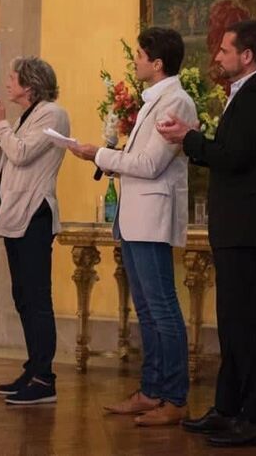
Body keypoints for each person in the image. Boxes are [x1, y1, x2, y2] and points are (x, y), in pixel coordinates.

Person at [156, 20, 256, 447]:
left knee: (247, 325)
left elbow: (232, 157)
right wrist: (194, 139)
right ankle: (228, 409)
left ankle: (255, 419)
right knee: (233, 324)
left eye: (225, 50)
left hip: (250, 228)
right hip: (239, 227)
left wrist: (188, 138)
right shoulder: (249, 95)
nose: (217, 57)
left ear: (246, 55)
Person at [69, 27, 196, 426]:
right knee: (146, 309)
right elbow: (140, 158)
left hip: (153, 220)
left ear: (157, 64)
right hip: (136, 218)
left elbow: (149, 165)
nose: (135, 61)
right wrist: (105, 155)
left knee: (163, 310)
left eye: (140, 55)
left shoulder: (176, 102)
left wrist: (99, 155)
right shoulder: (152, 101)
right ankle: (151, 390)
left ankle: (174, 398)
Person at [0, 56, 70, 405]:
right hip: (17, 215)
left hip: (35, 215)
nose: (7, 82)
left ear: (30, 85)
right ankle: (32, 367)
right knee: (23, 297)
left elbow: (20, 154)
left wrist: (0, 126)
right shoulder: (24, 118)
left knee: (37, 298)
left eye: (13, 78)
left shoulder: (52, 114)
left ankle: (44, 378)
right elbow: (8, 167)